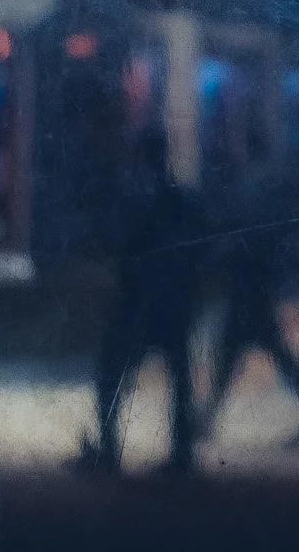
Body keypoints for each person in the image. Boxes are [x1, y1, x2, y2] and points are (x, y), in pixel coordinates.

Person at [79, 124, 200, 475]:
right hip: (171, 301)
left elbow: (126, 248)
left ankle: (110, 450)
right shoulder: (177, 198)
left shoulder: (140, 198)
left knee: (112, 373)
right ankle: (181, 453)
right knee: (177, 375)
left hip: (140, 302)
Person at [202, 163, 299, 447]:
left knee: (241, 359)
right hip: (251, 297)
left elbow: (252, 247)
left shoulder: (250, 201)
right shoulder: (254, 195)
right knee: (251, 359)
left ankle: (207, 419)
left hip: (250, 298)